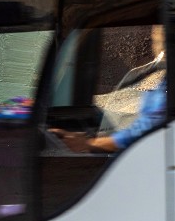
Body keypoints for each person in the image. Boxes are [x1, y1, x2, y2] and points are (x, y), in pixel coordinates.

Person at [50, 25, 166, 155]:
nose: (159, 45)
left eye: (162, 39)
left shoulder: (168, 81)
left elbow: (148, 128)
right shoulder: (144, 75)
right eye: (156, 38)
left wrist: (87, 143)